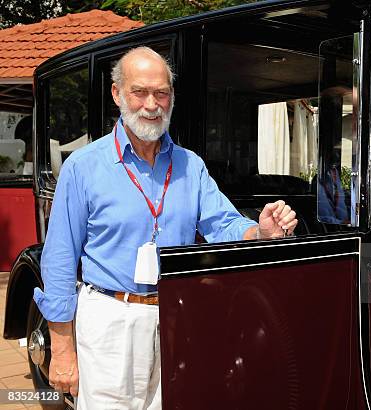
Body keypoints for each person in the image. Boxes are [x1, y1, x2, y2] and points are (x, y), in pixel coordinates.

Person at [33, 46, 298, 409]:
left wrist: (262, 232)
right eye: (139, 92)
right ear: (117, 94)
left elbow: (224, 223)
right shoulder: (84, 167)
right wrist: (62, 350)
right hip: (110, 319)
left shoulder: (191, 165)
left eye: (161, 93)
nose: (151, 104)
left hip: (179, 319)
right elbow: (60, 259)